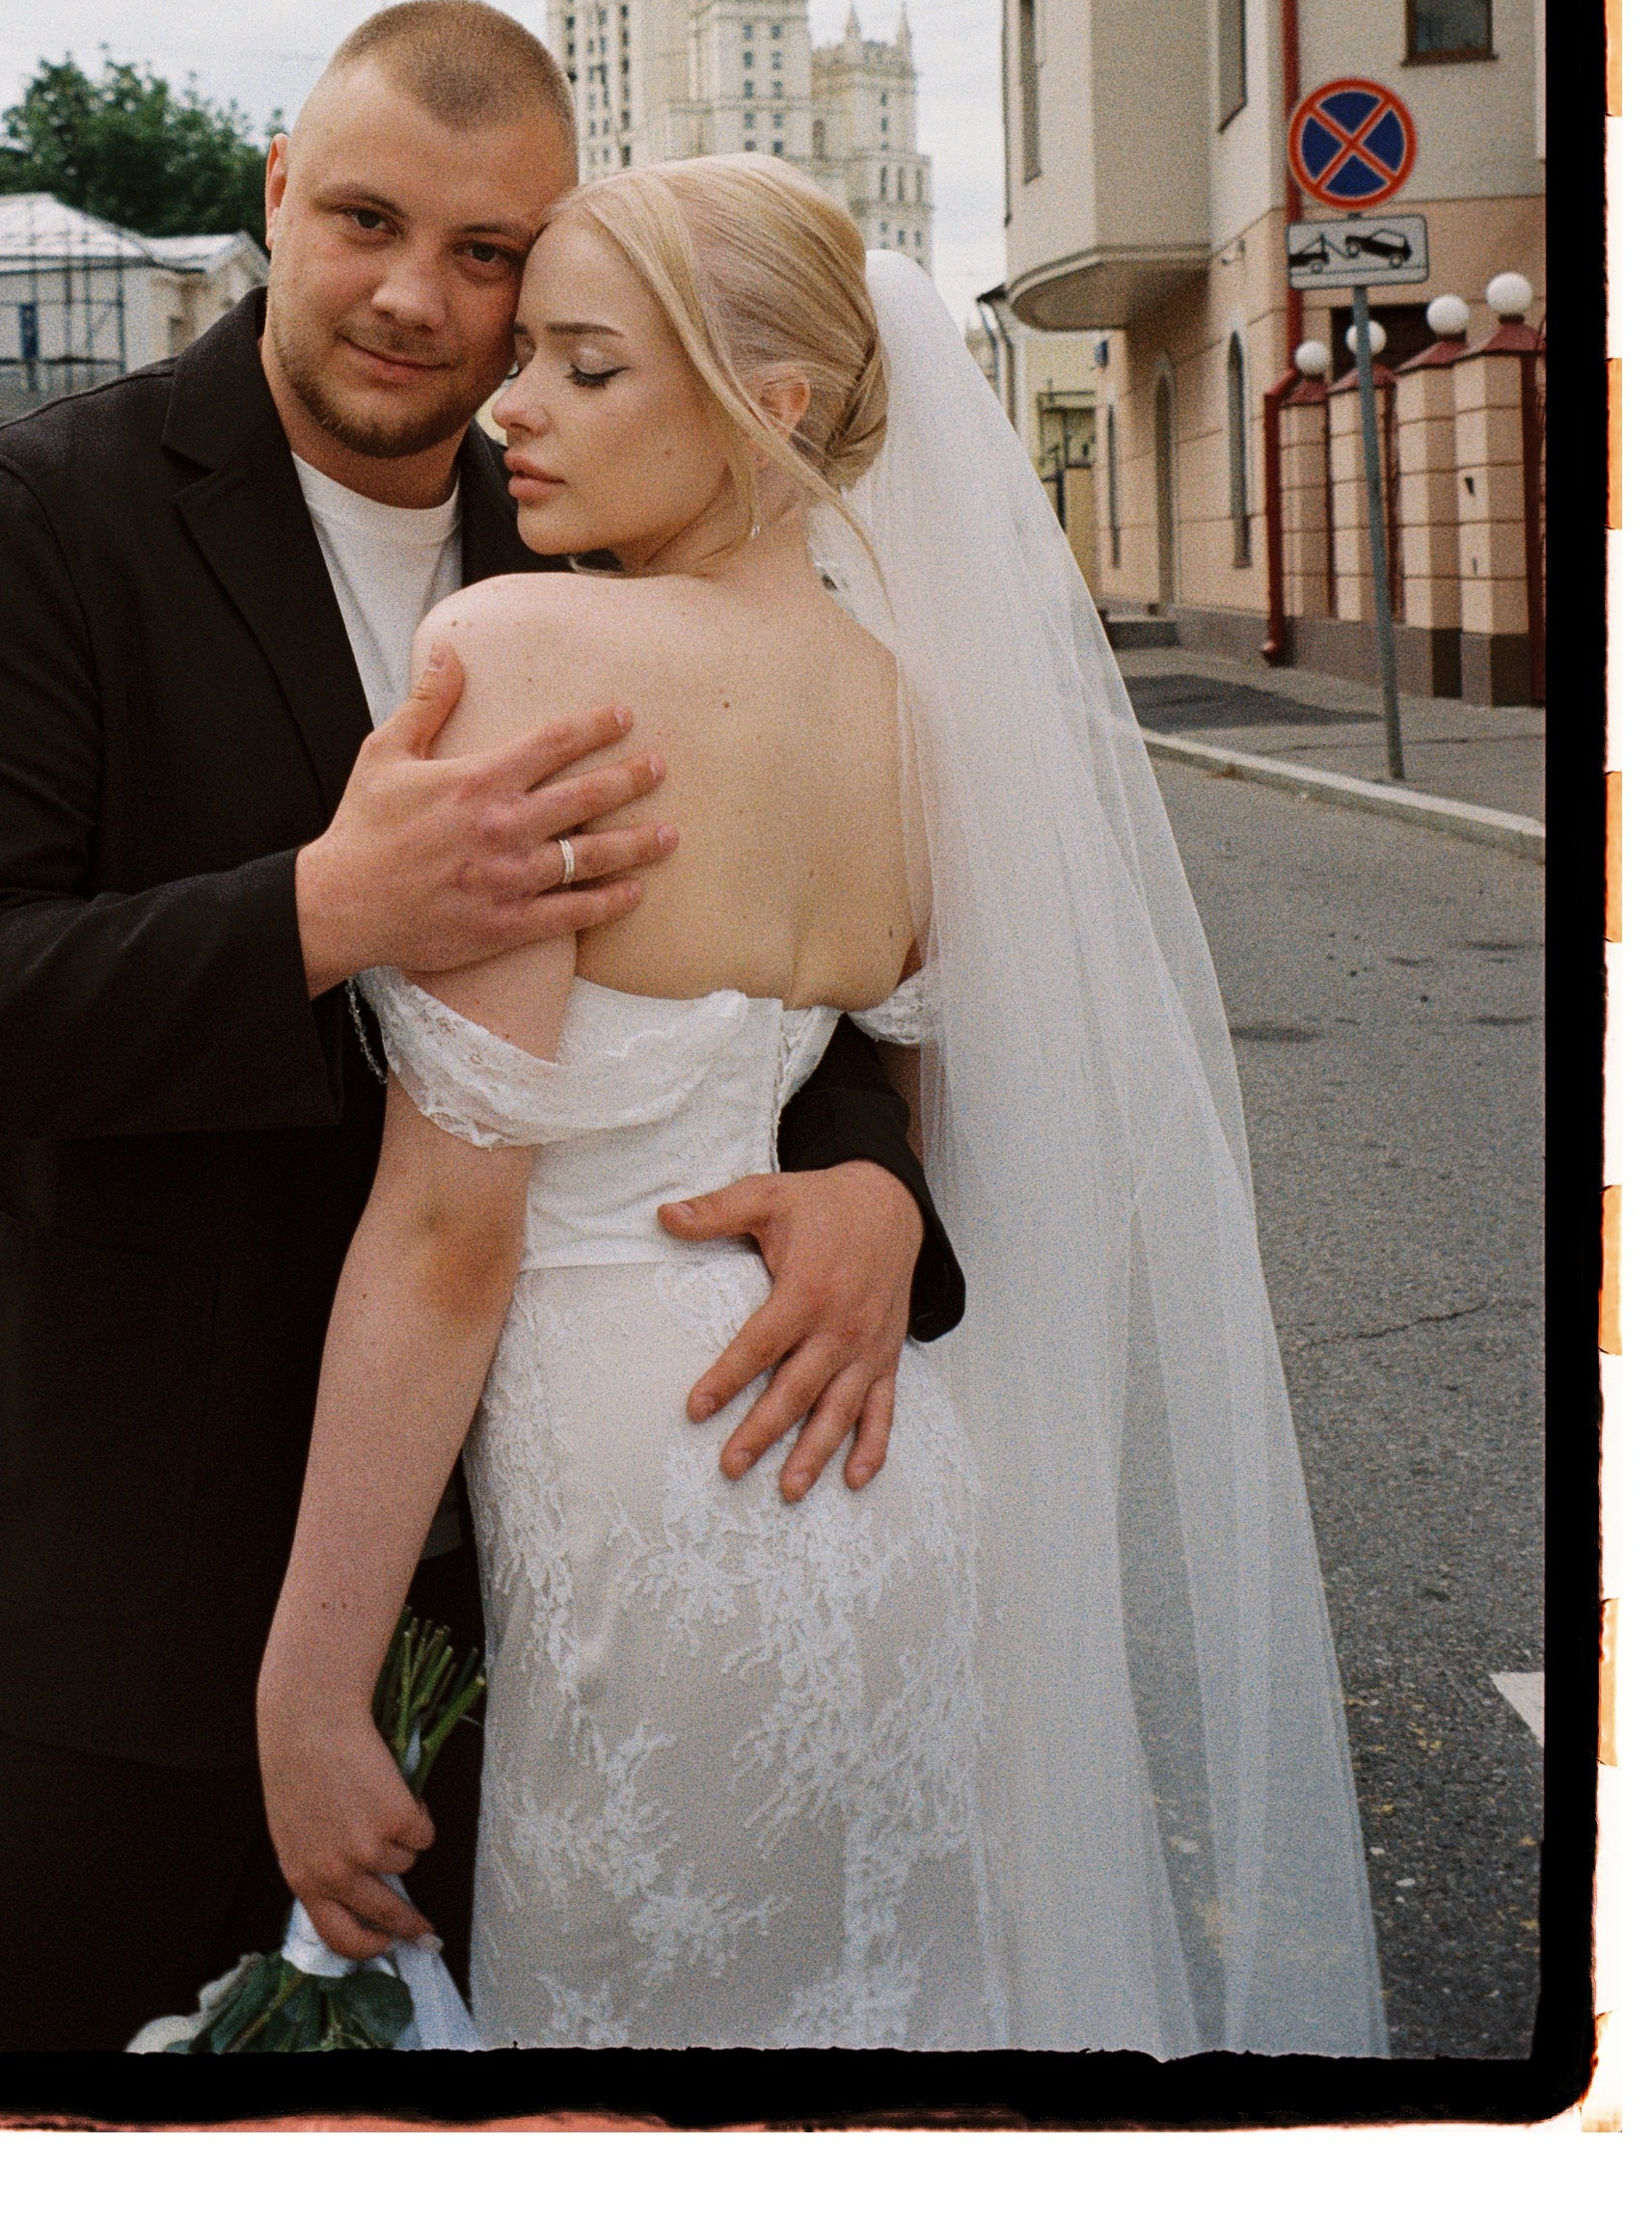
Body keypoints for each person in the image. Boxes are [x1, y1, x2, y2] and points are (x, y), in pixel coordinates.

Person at [0, 4, 961, 2053]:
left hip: (501, 1592)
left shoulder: (594, 516)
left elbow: (772, 998)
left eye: (489, 254)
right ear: (276, 195)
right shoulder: (40, 513)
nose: (419, 299)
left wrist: (873, 1184)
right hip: (75, 1592)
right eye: (364, 219)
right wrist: (322, 908)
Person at [257, 155, 1387, 2055]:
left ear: (767, 404)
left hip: (648, 1504)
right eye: (524, 356)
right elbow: (932, 1096)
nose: (511, 407)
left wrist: (310, 1679)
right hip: (886, 1466)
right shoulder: (910, 710)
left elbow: (447, 1234)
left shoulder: (527, 652)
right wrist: (873, 1190)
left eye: (584, 366)